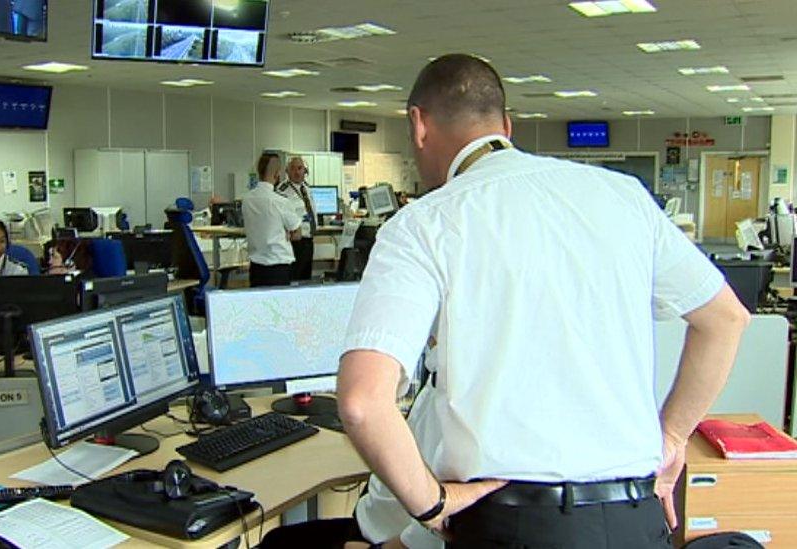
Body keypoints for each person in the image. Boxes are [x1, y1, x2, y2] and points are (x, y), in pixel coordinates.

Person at [335, 54, 751, 548]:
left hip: (513, 524)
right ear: (507, 125)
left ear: (418, 125)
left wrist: (432, 502)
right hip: (633, 519)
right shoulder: (624, 197)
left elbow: (363, 402)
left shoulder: (425, 223)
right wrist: (674, 438)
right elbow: (725, 318)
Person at [242, 152, 302, 287]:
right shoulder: (280, 202)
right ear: (277, 174)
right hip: (278, 268)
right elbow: (297, 234)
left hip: (256, 268)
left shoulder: (246, 200)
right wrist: (285, 234)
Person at [276, 156, 316, 281]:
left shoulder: (307, 189)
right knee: (295, 278)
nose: (297, 172)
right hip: (294, 242)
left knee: (306, 278)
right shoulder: (282, 191)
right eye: (293, 169)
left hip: (308, 240)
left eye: (300, 168)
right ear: (287, 171)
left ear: (305, 171)